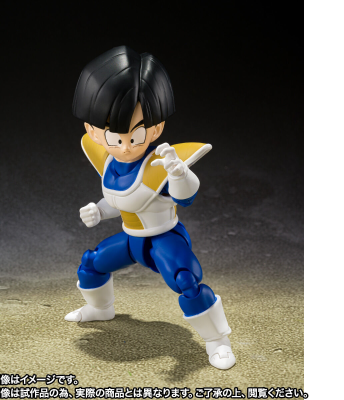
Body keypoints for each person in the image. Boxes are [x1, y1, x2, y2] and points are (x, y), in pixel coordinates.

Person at [65, 46, 236, 370]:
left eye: (137, 134)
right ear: (93, 131)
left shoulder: (159, 164)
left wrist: (179, 174)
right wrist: (99, 211)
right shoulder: (109, 163)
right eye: (115, 138)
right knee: (91, 263)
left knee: (186, 281)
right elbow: (119, 201)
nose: (125, 146)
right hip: (132, 239)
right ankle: (100, 309)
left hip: (164, 239)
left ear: (155, 129)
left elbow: (185, 197)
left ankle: (218, 341)